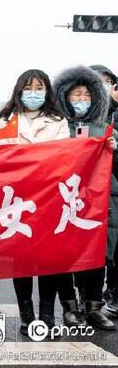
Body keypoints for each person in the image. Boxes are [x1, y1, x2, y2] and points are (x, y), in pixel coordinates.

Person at [0, 69, 72, 335]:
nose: (34, 93)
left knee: (49, 257)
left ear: (47, 91)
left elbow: (63, 155)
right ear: (19, 90)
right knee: (22, 258)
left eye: (39, 88)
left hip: (49, 195)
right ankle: (26, 313)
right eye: (28, 88)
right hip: (17, 197)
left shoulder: (58, 120)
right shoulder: (7, 119)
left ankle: (47, 313)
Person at [53, 65, 117, 331]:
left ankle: (93, 306)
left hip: (97, 202)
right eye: (75, 95)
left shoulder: (105, 129)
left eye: (86, 95)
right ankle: (69, 306)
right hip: (60, 201)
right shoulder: (55, 127)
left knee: (97, 255)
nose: (81, 100)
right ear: (64, 97)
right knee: (61, 256)